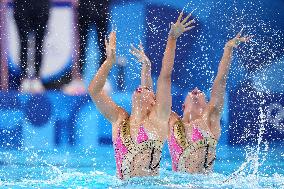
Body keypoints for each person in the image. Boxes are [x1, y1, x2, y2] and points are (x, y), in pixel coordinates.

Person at [88, 13, 195, 179]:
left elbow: (165, 76)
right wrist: (109, 62)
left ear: (154, 101)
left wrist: (172, 38)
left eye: (146, 90)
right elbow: (94, 91)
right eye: (141, 87)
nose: (141, 88)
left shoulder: (158, 120)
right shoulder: (119, 119)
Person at [168, 26, 252, 173]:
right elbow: (162, 82)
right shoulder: (172, 121)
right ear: (183, 106)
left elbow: (220, 81)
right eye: (192, 92)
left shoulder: (210, 119)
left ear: (207, 105)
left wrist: (228, 49)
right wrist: (172, 39)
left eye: (201, 93)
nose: (196, 90)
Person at [63, 0, 111, 95]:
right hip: (84, 6)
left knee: (103, 44)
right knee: (81, 45)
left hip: (101, 6)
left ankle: (103, 79)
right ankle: (77, 79)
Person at [13, 0, 51, 93]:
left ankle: (37, 78)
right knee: (23, 42)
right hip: (21, 5)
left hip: (41, 5)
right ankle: (24, 77)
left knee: (39, 43)